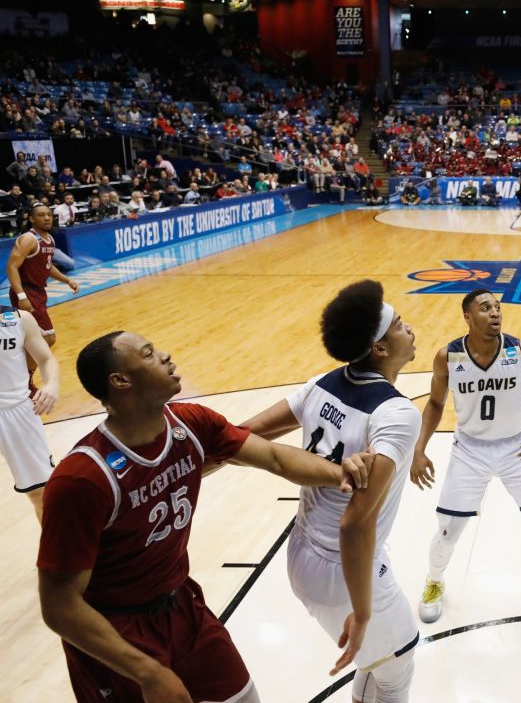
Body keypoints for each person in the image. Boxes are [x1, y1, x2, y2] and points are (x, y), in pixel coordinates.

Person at [36, 331, 372, 703]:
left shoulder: (191, 423)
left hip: (183, 605)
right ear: (120, 381)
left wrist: (339, 471)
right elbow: (60, 606)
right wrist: (146, 671)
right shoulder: (82, 479)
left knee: (244, 698)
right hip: (116, 633)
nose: (165, 355)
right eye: (149, 354)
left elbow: (276, 458)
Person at [241, 280, 421, 701]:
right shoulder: (395, 413)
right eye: (399, 324)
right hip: (341, 567)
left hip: (301, 549)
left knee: (381, 659)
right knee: (398, 664)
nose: (410, 329)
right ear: (379, 348)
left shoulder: (323, 382)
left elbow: (241, 436)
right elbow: (355, 524)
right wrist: (361, 610)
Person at [409, 289, 521, 640]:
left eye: (498, 308)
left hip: (517, 447)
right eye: (485, 308)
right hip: (470, 449)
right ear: (467, 317)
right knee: (449, 529)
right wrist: (419, 448)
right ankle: (434, 582)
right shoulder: (448, 357)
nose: (495, 313)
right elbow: (436, 404)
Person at [6, 203, 79, 388]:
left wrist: (66, 280)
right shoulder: (28, 239)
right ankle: (26, 380)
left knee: (30, 339)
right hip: (27, 291)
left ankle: (18, 376)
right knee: (47, 338)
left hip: (38, 292)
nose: (47, 218)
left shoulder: (49, 239)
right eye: (41, 215)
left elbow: (47, 265)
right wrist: (22, 296)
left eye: (48, 214)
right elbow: (11, 266)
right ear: (31, 218)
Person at [0, 306, 59, 521]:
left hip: (17, 413)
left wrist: (52, 384)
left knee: (42, 494)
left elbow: (46, 359)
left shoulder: (18, 319)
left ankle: (55, 555)